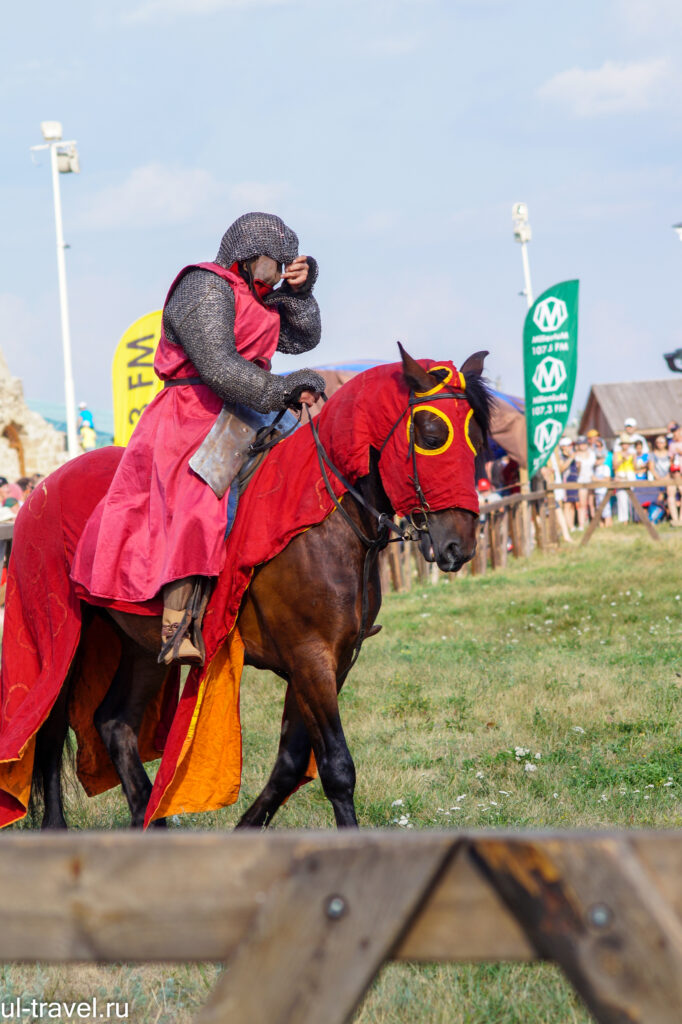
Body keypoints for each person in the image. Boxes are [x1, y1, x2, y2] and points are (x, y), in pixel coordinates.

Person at [71, 212, 325, 664]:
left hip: (248, 408)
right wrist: (281, 389)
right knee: (200, 505)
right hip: (194, 413)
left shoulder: (258, 298)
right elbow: (219, 367)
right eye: (275, 263)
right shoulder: (204, 286)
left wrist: (300, 293)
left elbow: (303, 338)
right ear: (247, 257)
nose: (280, 273)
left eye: (288, 265)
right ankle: (176, 624)